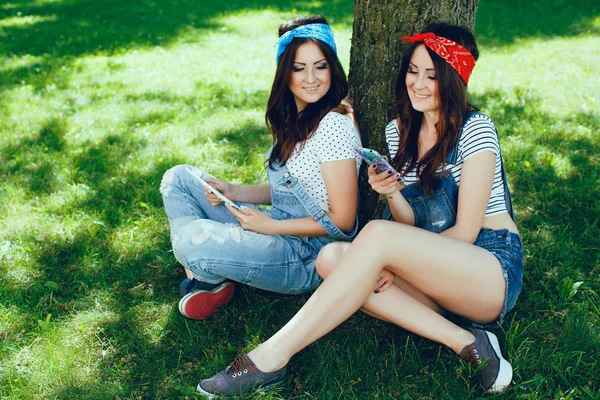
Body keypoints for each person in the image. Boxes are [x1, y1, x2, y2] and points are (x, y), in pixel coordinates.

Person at [196, 23, 524, 397]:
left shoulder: (475, 129)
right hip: (436, 273)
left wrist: (385, 260)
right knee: (332, 261)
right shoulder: (398, 132)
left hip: (488, 269)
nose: (417, 83)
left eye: (432, 75)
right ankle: (467, 343)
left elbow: (465, 233)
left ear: (454, 79)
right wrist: (393, 194)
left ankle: (271, 355)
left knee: (373, 242)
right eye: (412, 71)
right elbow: (413, 223)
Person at [160, 16, 362, 321]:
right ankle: (210, 273)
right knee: (178, 178)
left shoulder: (333, 126)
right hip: (276, 228)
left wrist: (270, 227)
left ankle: (206, 275)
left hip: (306, 256)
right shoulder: (297, 117)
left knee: (191, 239)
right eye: (298, 68)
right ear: (285, 73)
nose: (311, 78)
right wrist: (233, 191)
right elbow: (296, 190)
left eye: (320, 66)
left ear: (332, 68)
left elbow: (343, 221)